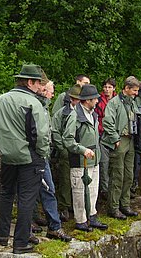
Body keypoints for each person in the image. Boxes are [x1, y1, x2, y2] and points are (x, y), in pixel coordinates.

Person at [0, 64, 50, 255]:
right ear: (29, 82)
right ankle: (21, 242)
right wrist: (42, 153)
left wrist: (1, 149)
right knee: (27, 199)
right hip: (29, 157)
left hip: (7, 156)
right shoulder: (33, 103)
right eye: (38, 82)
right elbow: (40, 135)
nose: (40, 86)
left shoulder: (0, 100)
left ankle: (2, 234)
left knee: (6, 194)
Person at [62, 84, 108, 232]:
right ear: (88, 100)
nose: (97, 101)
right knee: (79, 191)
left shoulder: (93, 114)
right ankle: (81, 221)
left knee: (93, 190)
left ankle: (92, 216)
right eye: (95, 99)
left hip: (94, 159)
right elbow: (67, 140)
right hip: (80, 160)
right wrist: (82, 150)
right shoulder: (74, 116)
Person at [32, 80, 71, 242]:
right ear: (42, 90)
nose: (53, 94)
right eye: (50, 91)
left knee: (46, 189)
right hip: (36, 155)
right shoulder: (35, 106)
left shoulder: (45, 107)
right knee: (39, 190)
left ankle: (53, 226)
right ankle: (44, 224)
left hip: (44, 154)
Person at [101, 76, 141, 220]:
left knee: (129, 175)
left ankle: (125, 204)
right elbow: (107, 122)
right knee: (117, 175)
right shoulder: (114, 103)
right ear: (127, 88)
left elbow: (136, 117)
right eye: (134, 90)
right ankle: (113, 207)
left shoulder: (133, 103)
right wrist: (115, 139)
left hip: (130, 140)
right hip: (119, 140)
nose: (136, 93)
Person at [51, 84, 82, 221]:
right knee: (65, 179)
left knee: (80, 180)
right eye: (75, 99)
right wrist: (62, 148)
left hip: (81, 151)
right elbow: (55, 131)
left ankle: (78, 207)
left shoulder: (85, 113)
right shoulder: (61, 113)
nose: (77, 102)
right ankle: (64, 207)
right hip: (66, 151)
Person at [94, 78, 116, 199]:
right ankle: (104, 189)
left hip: (115, 135)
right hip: (102, 134)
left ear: (114, 88)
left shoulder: (118, 100)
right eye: (105, 87)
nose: (107, 89)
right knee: (104, 163)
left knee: (115, 164)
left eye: (109, 87)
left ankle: (114, 188)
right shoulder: (98, 101)